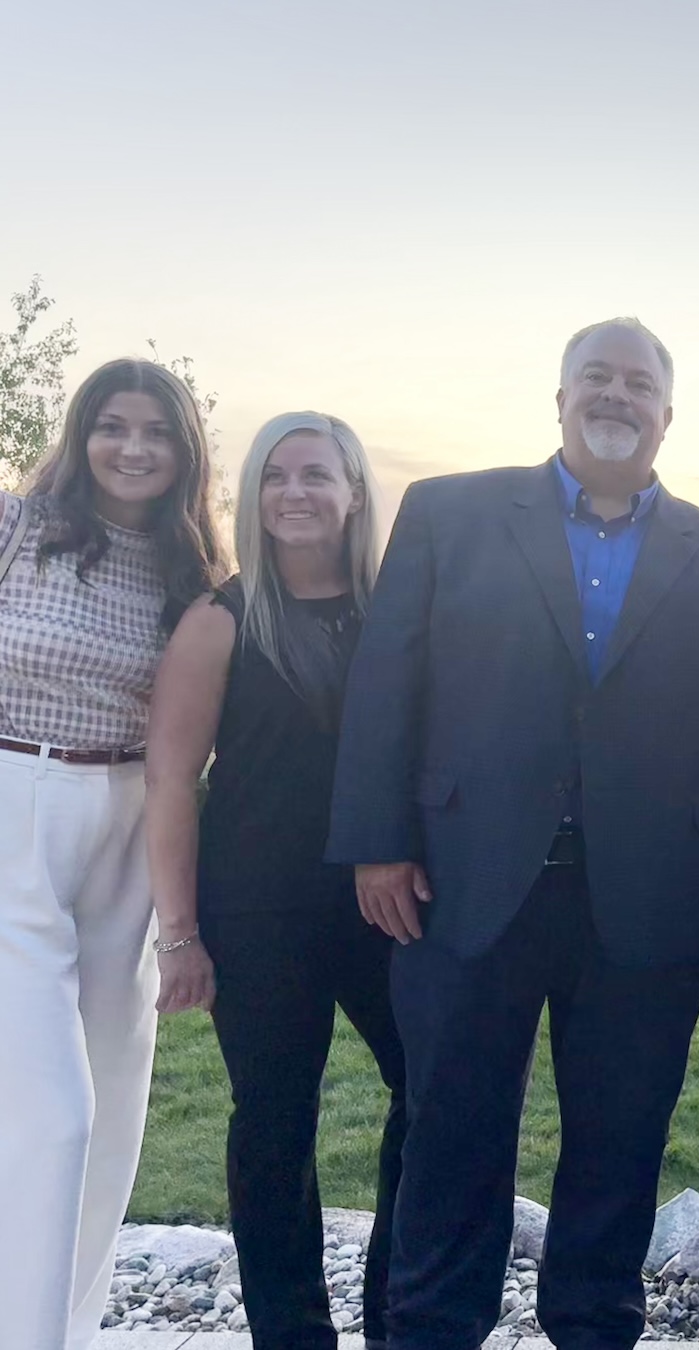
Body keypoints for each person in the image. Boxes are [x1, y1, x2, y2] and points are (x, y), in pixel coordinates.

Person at [325, 318, 699, 1350]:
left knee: (619, 1141)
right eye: (596, 380)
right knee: (453, 1134)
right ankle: (432, 1327)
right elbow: (387, 681)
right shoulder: (449, 513)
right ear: (560, 397)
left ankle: (593, 1324)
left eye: (639, 384)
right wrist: (375, 842)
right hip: (464, 885)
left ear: (668, 412)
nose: (616, 398)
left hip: (646, 901)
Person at [145, 412, 407, 1350]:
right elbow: (172, 779)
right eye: (274, 476)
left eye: (317, 475)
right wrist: (180, 935)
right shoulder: (221, 618)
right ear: (253, 495)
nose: (294, 493)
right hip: (256, 908)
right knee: (275, 1121)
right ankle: (292, 1333)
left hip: (389, 904)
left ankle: (396, 1316)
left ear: (354, 493)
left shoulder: (397, 611)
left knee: (430, 1090)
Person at [0, 358, 229, 1350]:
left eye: (158, 431)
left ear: (187, 452)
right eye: (112, 425)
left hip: (131, 821)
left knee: (114, 1102)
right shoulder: (14, 528)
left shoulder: (197, 576)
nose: (134, 448)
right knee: (53, 1114)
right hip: (16, 802)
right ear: (80, 433)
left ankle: (66, 1326)